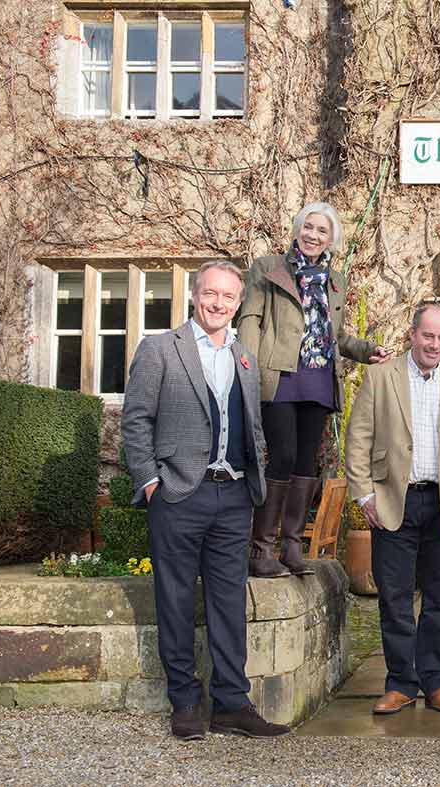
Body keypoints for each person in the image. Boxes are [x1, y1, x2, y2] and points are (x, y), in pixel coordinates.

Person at [122, 260, 289, 740]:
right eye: (211, 294)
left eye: (229, 297)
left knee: (229, 602)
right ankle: (185, 703)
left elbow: (251, 426)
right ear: (195, 295)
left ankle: (232, 703)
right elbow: (136, 422)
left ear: (238, 304)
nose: (219, 303)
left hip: (233, 496)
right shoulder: (160, 349)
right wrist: (150, 481)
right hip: (177, 493)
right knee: (174, 601)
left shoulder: (245, 358)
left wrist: (253, 484)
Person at [236, 202, 391, 579]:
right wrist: (247, 367)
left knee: (307, 461)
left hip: (319, 378)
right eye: (308, 227)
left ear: (331, 239)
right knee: (283, 455)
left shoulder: (335, 279)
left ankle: (291, 546)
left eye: (322, 231)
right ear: (297, 229)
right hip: (279, 375)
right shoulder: (268, 268)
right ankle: (261, 548)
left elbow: (334, 337)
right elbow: (251, 319)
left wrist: (366, 350)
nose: (313, 236)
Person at [345, 302, 440, 715]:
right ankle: (401, 683)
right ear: (412, 334)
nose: (435, 345)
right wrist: (364, 495)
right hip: (393, 502)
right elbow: (359, 439)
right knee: (395, 598)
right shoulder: (380, 377)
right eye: (428, 336)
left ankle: (437, 681)